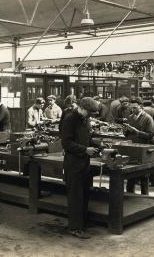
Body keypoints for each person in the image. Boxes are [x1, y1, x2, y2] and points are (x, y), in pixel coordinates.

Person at [61, 97, 101, 239]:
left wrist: (97, 145)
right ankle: (74, 228)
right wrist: (85, 150)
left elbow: (87, 138)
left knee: (84, 194)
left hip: (84, 162)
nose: (90, 116)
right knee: (75, 196)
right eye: (89, 113)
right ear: (81, 108)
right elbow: (66, 143)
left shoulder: (86, 119)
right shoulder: (69, 119)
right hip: (73, 163)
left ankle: (81, 223)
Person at [123, 98, 154, 195]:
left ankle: (145, 199)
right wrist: (125, 131)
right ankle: (129, 198)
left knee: (144, 177)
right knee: (130, 176)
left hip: (143, 151)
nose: (133, 110)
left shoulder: (148, 118)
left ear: (141, 107)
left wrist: (136, 132)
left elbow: (150, 135)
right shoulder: (130, 117)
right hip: (132, 149)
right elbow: (126, 134)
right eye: (131, 108)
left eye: (135, 107)